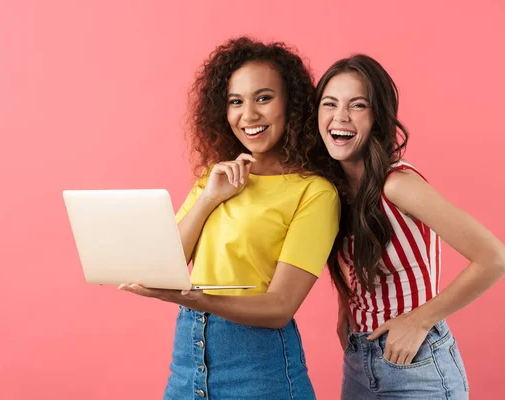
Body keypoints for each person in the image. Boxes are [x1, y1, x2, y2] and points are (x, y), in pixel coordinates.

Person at [119, 37, 340, 399]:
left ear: (293, 106)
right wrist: (208, 199)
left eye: (263, 98)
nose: (248, 115)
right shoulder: (214, 178)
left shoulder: (314, 192)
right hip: (188, 358)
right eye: (236, 101)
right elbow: (165, 262)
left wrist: (197, 299)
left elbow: (280, 307)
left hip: (259, 368)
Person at [314, 54, 505, 399]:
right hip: (359, 360)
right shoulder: (338, 190)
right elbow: (360, 260)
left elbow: (495, 258)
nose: (340, 117)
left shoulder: (397, 184)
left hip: (415, 362)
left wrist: (419, 320)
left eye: (357, 105)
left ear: (378, 116)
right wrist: (346, 306)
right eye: (329, 103)